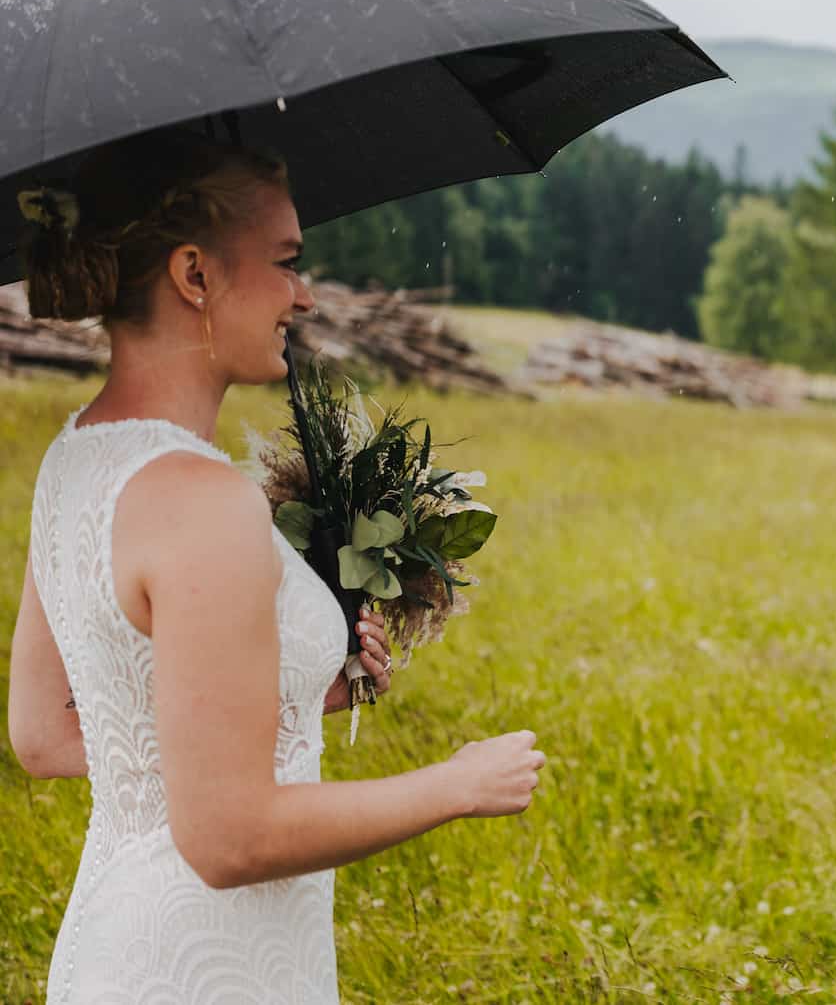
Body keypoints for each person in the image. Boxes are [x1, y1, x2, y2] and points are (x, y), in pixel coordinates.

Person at [6, 129, 546, 1003]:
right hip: (206, 966)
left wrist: (297, 699)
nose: (303, 293)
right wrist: (454, 783)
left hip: (113, 954)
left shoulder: (74, 461)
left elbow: (46, 734)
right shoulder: (205, 500)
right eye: (288, 260)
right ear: (195, 275)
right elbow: (229, 838)